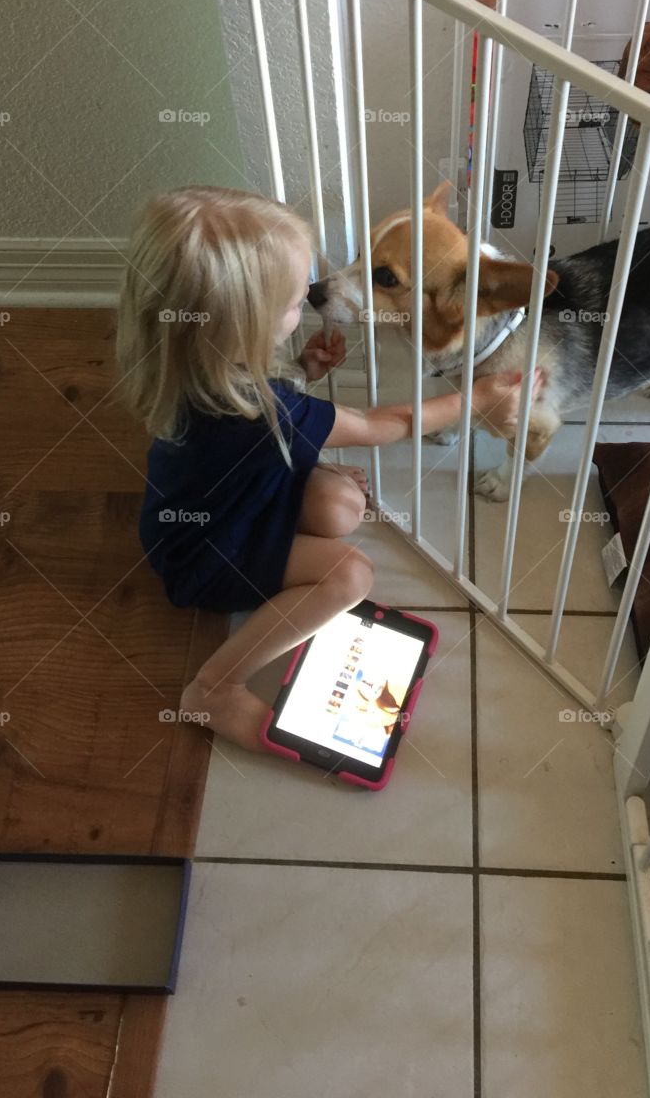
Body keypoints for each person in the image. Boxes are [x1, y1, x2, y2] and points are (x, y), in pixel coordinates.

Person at [116, 186, 527, 752]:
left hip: (218, 509)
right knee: (352, 575)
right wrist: (472, 399)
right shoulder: (271, 413)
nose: (307, 300)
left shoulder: (197, 365)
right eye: (291, 302)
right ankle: (213, 687)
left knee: (341, 505)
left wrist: (305, 369)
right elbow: (387, 425)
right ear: (245, 324)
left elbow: (261, 422)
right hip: (208, 555)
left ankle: (296, 528)